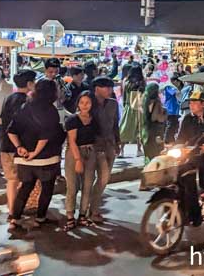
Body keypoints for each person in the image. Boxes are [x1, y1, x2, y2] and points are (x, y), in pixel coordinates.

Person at [7, 79, 66, 231]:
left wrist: (20, 147)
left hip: (24, 160)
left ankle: (15, 219)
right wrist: (34, 153)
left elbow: (12, 131)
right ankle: (40, 218)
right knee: (46, 189)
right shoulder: (50, 110)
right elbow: (45, 136)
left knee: (25, 188)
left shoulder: (24, 107)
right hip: (45, 158)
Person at [174, 91, 204, 237]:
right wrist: (173, 146)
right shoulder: (188, 118)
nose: (191, 105)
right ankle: (193, 216)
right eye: (190, 102)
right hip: (191, 154)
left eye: (195, 102)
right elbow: (181, 137)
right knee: (183, 180)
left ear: (203, 104)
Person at [0, 69, 36, 217]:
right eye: (34, 82)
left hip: (5, 145)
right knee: (18, 180)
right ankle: (15, 212)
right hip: (19, 146)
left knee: (11, 180)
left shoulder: (9, 98)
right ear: (29, 84)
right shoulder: (25, 101)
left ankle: (12, 210)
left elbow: (2, 120)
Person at [63, 91, 99, 231]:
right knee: (72, 186)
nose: (85, 106)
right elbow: (71, 141)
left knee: (88, 185)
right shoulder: (72, 119)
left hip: (90, 152)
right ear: (78, 103)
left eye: (88, 103)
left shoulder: (94, 119)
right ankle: (70, 217)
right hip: (74, 153)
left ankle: (83, 215)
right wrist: (78, 159)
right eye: (82, 102)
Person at [89, 76, 120, 224]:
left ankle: (94, 209)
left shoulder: (113, 104)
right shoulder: (87, 103)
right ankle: (84, 210)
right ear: (97, 89)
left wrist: (118, 143)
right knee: (88, 180)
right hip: (92, 146)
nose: (109, 91)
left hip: (109, 145)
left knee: (103, 179)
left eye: (111, 88)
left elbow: (115, 125)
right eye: (106, 87)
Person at [118, 65, 145, 158]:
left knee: (125, 129)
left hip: (129, 107)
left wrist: (125, 105)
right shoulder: (142, 83)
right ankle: (139, 150)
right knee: (140, 130)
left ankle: (121, 150)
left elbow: (124, 96)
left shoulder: (127, 82)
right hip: (140, 108)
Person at [141, 82, 167, 163]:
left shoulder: (144, 100)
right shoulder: (156, 101)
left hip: (146, 130)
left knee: (148, 154)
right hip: (156, 131)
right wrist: (164, 113)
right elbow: (155, 117)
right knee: (157, 155)